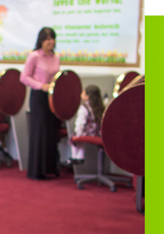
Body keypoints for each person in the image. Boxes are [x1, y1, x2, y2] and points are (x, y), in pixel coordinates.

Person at [20, 27, 61, 180]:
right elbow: (24, 77)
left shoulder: (55, 57)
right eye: (47, 39)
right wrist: (41, 85)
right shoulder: (34, 56)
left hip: (52, 98)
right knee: (40, 132)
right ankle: (37, 171)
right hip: (38, 96)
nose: (50, 42)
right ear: (41, 41)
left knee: (51, 132)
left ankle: (51, 168)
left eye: (52, 38)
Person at [69, 85, 104, 164]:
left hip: (88, 133)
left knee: (73, 137)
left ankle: (77, 158)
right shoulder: (101, 106)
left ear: (87, 96)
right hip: (98, 134)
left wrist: (77, 134)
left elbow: (80, 124)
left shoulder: (84, 107)